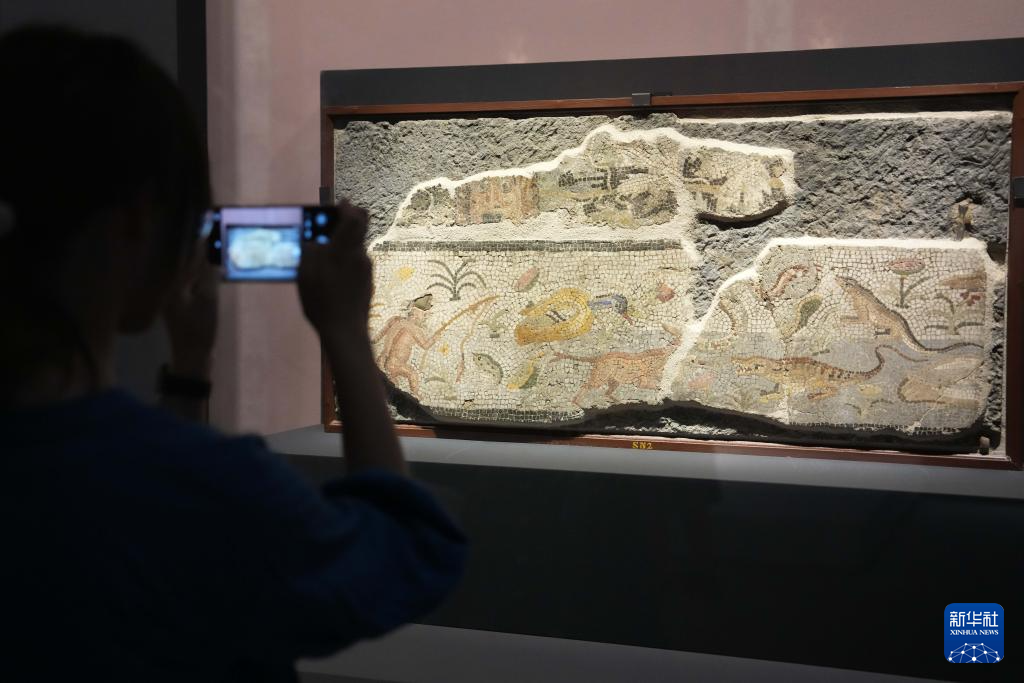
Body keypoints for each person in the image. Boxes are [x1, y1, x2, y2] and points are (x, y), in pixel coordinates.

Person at [0, 26, 466, 681]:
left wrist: (190, 370)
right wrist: (345, 334)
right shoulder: (209, 487)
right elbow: (405, 549)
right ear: (138, 220)